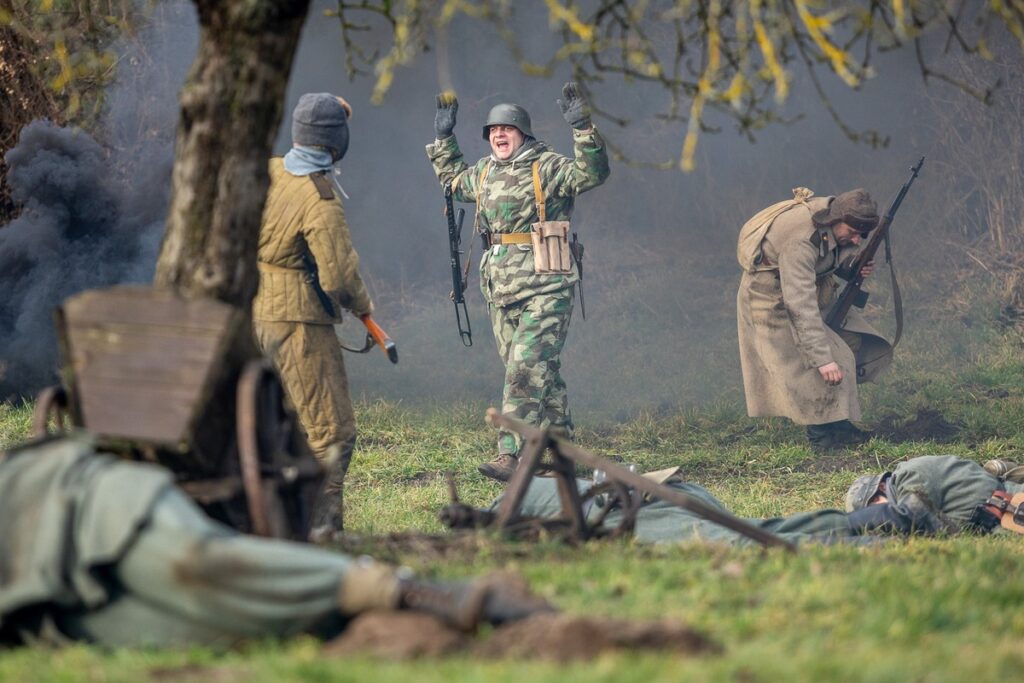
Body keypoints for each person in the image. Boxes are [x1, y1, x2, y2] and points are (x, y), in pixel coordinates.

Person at [0, 435, 553, 647]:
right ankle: (353, 608)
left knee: (194, 565)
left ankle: (409, 591)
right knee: (195, 629)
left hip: (68, 510)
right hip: (42, 600)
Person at [426, 83, 610, 482]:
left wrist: (582, 129)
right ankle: (561, 455)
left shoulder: (548, 166)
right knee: (541, 372)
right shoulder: (486, 171)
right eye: (493, 131)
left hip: (547, 285)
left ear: (523, 133)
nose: (499, 136)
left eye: (507, 130)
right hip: (501, 289)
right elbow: (454, 182)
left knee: (524, 372)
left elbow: (592, 173)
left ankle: (511, 453)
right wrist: (444, 138)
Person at [253, 93, 373, 534]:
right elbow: (339, 278)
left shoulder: (267, 171)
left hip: (253, 311)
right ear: (335, 143)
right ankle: (322, 531)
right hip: (298, 323)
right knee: (331, 433)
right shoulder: (320, 199)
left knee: (273, 420)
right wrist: (363, 306)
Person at [735, 187, 894, 452]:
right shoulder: (799, 242)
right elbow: (800, 305)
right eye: (853, 233)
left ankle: (838, 422)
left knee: (849, 343)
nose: (857, 240)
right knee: (820, 363)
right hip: (771, 301)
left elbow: (828, 254)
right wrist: (822, 359)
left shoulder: (832, 216)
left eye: (862, 235)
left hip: (811, 290)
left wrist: (851, 264)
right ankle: (821, 436)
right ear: (834, 221)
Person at [844, 454, 1024, 535]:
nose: (876, 517)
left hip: (1013, 505)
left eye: (872, 506)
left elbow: (914, 517)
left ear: (882, 487)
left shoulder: (908, 474)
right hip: (1004, 521)